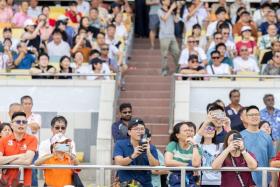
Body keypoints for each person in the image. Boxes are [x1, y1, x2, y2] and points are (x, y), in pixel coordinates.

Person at [113, 118, 159, 186]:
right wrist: (133, 155)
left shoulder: (151, 147)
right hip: (126, 183)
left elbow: (156, 167)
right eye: (136, 129)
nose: (139, 131)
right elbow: (118, 162)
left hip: (145, 184)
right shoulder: (120, 144)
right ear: (129, 132)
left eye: (142, 129)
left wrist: (148, 152)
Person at [240, 105, 276, 187]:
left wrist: (273, 181)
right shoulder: (240, 136)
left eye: (257, 114)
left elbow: (271, 159)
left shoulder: (267, 137)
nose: (254, 117)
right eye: (251, 115)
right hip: (244, 180)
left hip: (264, 180)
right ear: (246, 117)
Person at [0, 112, 37, 187]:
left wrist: (6, 161)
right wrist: (20, 156)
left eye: (24, 122)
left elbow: (27, 161)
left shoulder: (32, 139)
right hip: (6, 182)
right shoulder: (3, 140)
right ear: (12, 125)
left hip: (25, 183)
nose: (21, 124)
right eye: (18, 122)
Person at [165, 121, 201, 187]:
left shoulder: (196, 146)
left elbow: (196, 164)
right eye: (185, 130)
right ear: (177, 135)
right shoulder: (172, 145)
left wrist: (194, 145)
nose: (189, 132)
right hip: (174, 181)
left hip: (191, 181)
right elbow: (168, 162)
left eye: (190, 130)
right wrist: (188, 165)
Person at [194, 122, 223, 186]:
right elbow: (196, 139)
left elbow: (231, 138)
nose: (209, 131)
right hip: (203, 182)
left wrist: (228, 126)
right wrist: (208, 119)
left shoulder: (220, 146)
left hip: (218, 182)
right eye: (206, 128)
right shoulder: (198, 145)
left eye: (212, 129)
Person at [158, 0, 180, 76]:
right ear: (163, 2)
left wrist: (178, 10)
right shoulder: (159, 10)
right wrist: (171, 9)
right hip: (164, 36)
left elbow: (176, 20)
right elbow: (164, 18)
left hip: (172, 36)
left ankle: (178, 68)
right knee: (164, 54)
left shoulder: (171, 10)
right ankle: (164, 69)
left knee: (177, 52)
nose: (169, 1)